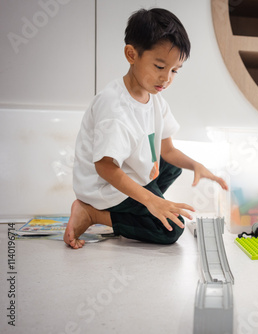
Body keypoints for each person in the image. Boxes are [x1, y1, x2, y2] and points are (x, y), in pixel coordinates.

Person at [64, 8, 227, 249]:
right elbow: (105, 167)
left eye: (174, 71)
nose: (167, 79)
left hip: (130, 173)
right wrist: (151, 200)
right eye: (160, 67)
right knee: (170, 230)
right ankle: (92, 214)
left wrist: (197, 165)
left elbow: (167, 150)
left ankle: (144, 206)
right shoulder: (115, 108)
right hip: (105, 187)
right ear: (132, 54)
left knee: (171, 167)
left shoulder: (154, 98)